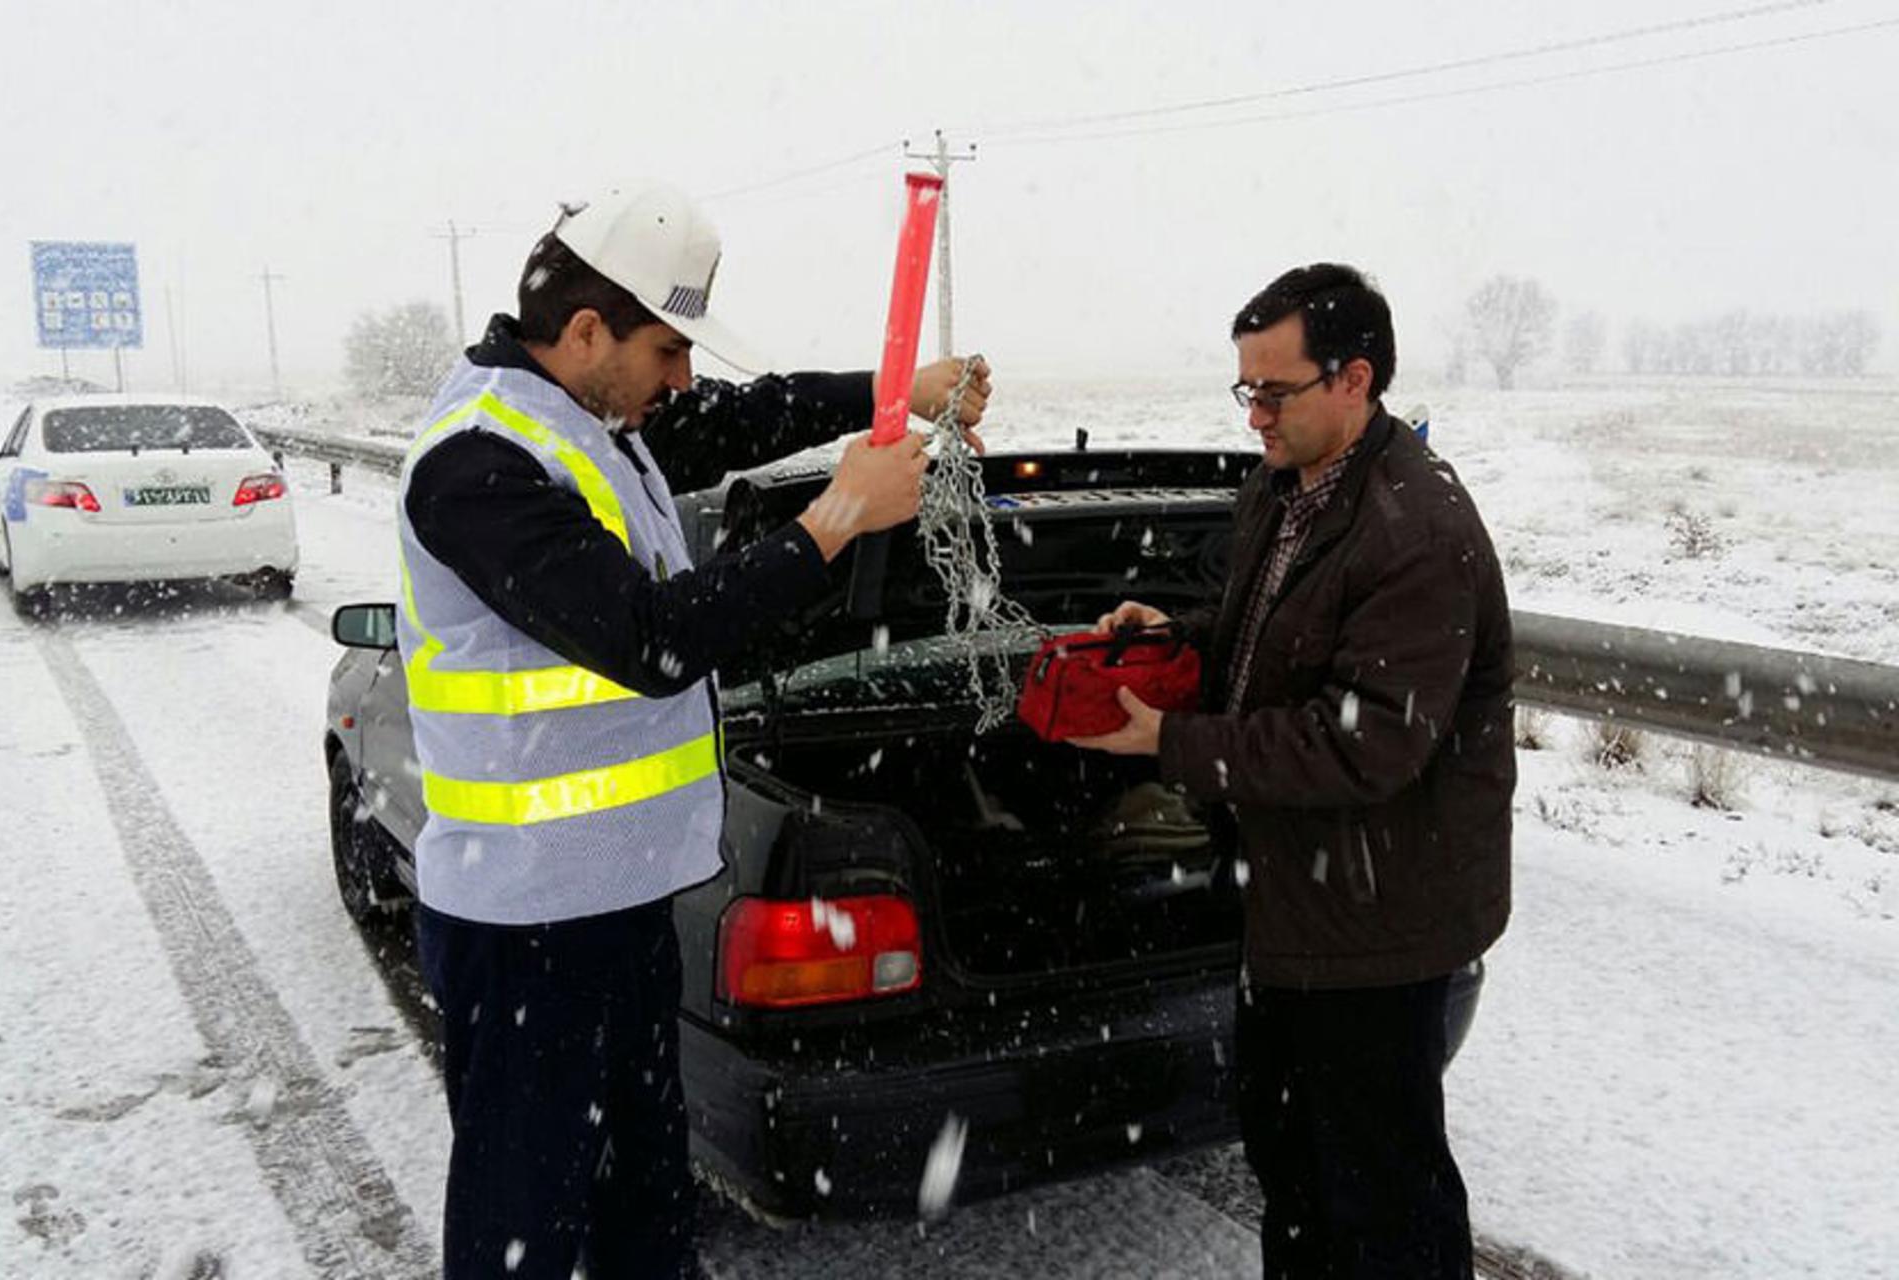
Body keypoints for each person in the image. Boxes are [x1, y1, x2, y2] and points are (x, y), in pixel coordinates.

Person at [396, 180, 992, 1279]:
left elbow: (742, 416)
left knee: (645, 1208)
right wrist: (839, 517)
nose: (681, 381)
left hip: (616, 905)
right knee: (522, 1225)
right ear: (586, 331)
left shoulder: (592, 418)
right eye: (669, 350)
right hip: (526, 924)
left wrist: (895, 389)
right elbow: (653, 636)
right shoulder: (478, 462)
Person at [1070, 263, 1513, 1278]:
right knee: (1293, 1167)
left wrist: (1170, 743)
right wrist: (1174, 642)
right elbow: (1265, 640)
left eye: (1275, 390)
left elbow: (1362, 740)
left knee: (1382, 1197)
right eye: (1246, 389)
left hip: (1382, 922)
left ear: (1354, 380)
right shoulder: (1281, 489)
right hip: (1295, 901)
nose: (1255, 414)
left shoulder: (1417, 530)